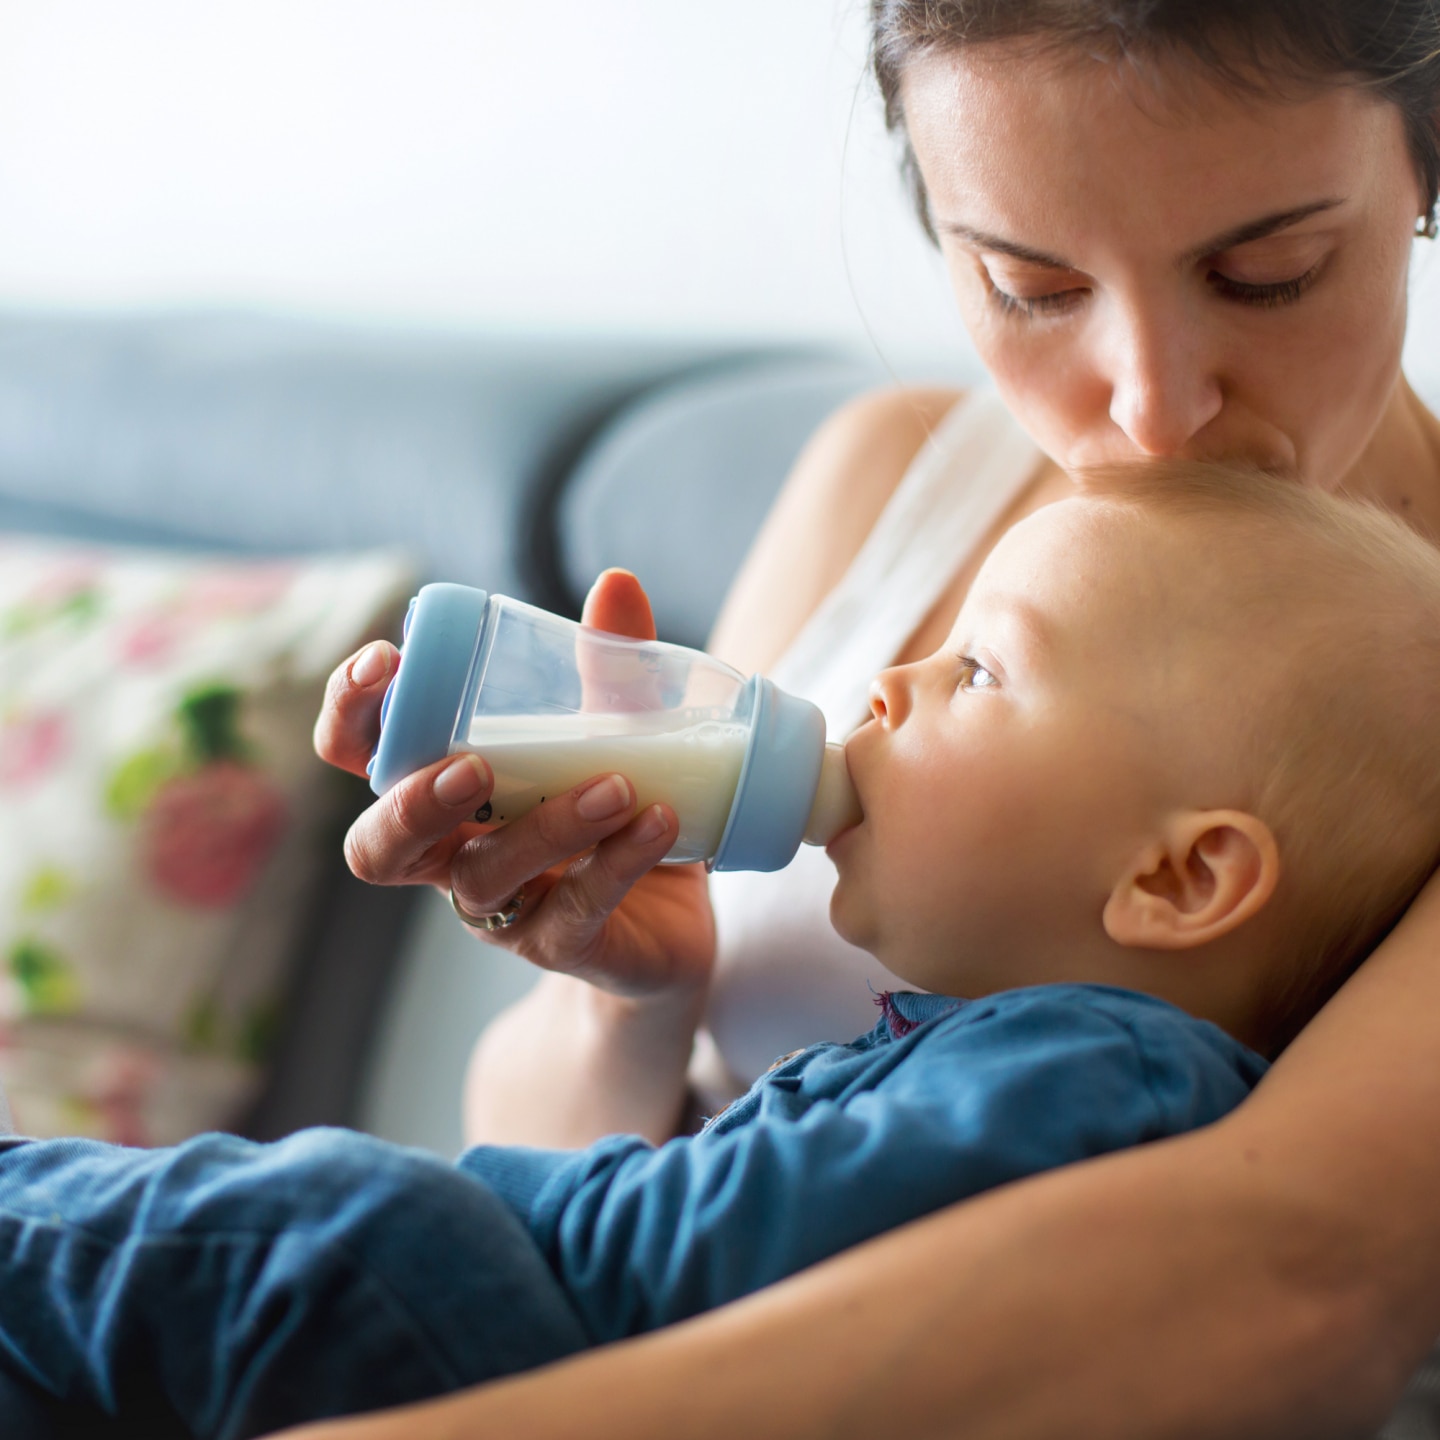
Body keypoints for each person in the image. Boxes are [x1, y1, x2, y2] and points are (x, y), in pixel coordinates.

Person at [306, 2, 1440, 1436]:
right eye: (1032, 286)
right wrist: (633, 990)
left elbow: (1293, 1284)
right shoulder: (889, 480)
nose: (1154, 411)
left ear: (1425, 160)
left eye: (1267, 275)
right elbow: (531, 1161)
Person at [0, 465, 1433, 1440]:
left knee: (324, 1221)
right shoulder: (1009, 1050)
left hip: (532, 1359)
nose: (890, 683)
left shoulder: (1091, 1072)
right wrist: (645, 998)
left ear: (1180, 878)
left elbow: (711, 1263)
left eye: (981, 671)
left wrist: (483, 1204)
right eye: (1029, 280)